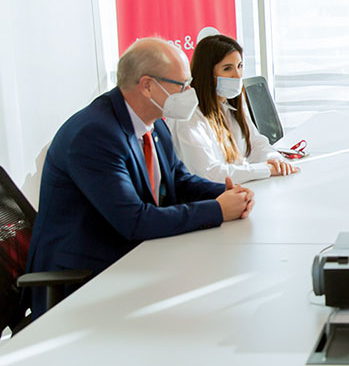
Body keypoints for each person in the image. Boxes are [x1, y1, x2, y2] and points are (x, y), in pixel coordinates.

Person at [25, 38, 254, 317]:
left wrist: (225, 192)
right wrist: (218, 210)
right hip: (84, 281)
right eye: (182, 85)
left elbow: (177, 180)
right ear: (147, 86)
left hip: (131, 258)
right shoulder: (94, 135)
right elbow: (134, 220)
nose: (190, 92)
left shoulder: (154, 122)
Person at [168, 34, 297, 183]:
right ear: (207, 73)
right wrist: (265, 169)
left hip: (239, 187)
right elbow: (209, 173)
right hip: (213, 193)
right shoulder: (189, 116)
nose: (237, 75)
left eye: (240, 66)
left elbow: (256, 144)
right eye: (227, 68)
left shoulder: (230, 104)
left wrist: (274, 158)